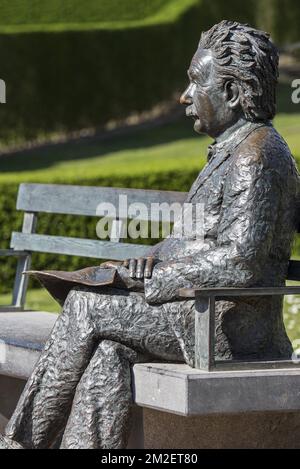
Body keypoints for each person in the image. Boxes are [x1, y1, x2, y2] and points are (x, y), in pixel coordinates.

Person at [1, 20, 299, 449]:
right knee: (109, 352)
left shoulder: (258, 155)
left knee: (86, 306)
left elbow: (240, 259)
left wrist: (153, 279)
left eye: (197, 82)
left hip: (229, 332)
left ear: (232, 94)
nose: (184, 96)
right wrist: (152, 258)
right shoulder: (232, 151)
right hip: (197, 315)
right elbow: (193, 237)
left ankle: (20, 443)